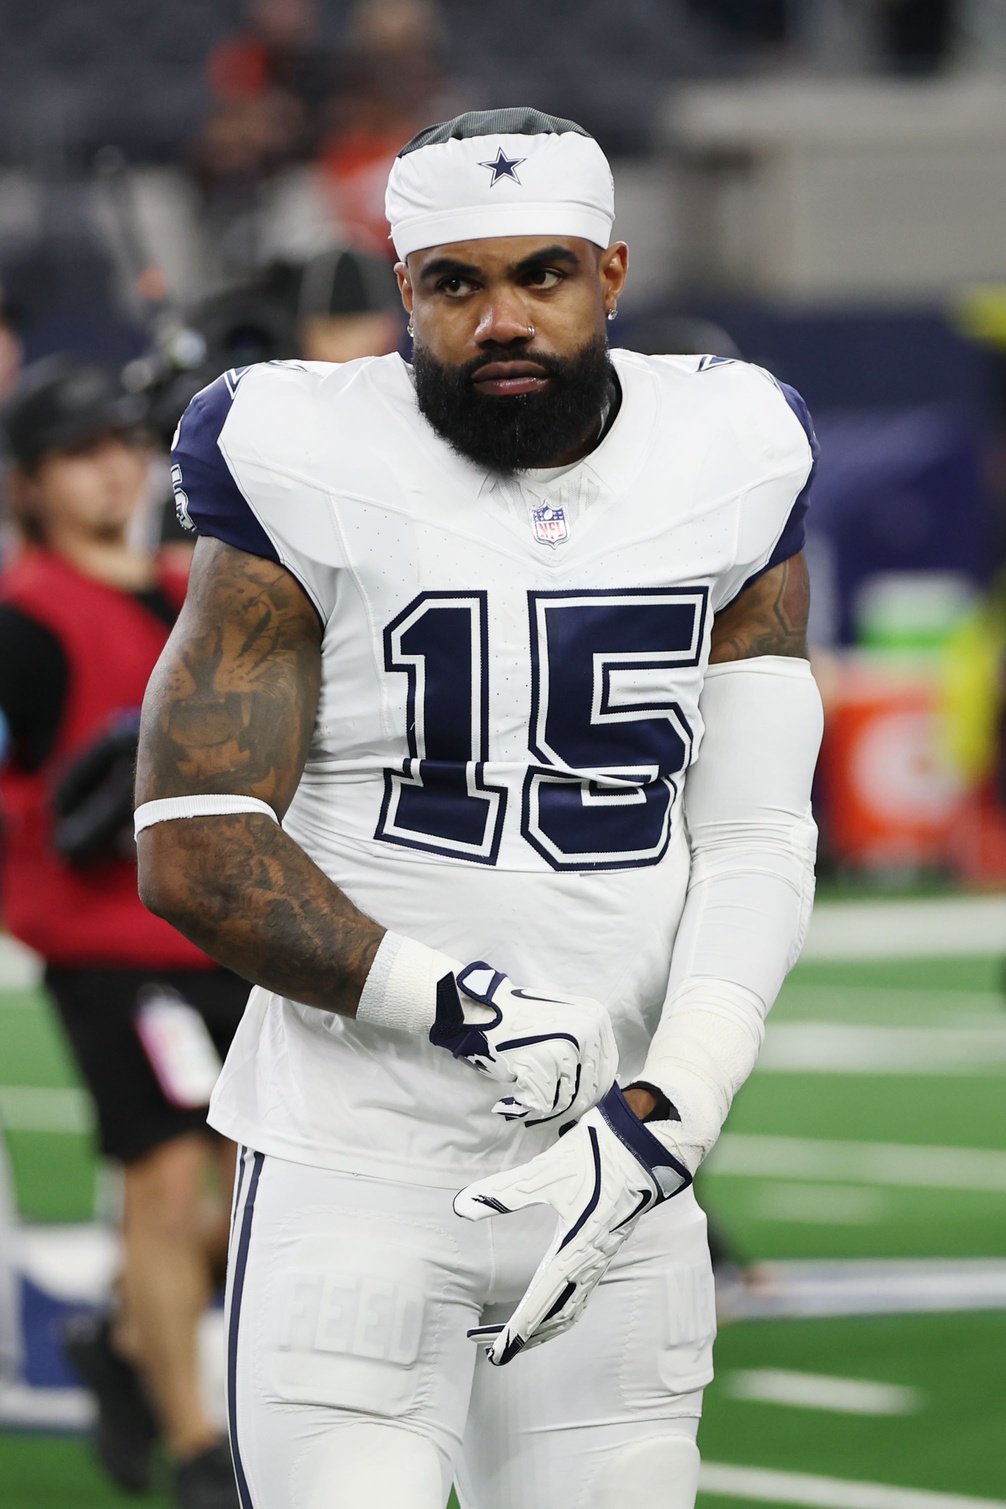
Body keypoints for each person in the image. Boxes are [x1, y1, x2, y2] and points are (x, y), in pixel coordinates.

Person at [135, 108, 823, 1509]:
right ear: (405, 291)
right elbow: (193, 838)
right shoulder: (295, 447)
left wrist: (674, 1105)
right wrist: (455, 1000)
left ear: (611, 275)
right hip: (357, 1170)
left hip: (621, 1185)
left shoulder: (735, 445)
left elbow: (753, 832)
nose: (501, 317)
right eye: (456, 283)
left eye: (542, 275)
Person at [0, 358, 248, 1509]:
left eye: (123, 445)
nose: (112, 468)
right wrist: (63, 820)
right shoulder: (22, 623)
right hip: (108, 945)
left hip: (231, 931)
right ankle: (198, 1444)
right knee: (159, 1184)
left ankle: (123, 1340)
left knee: (267, 1192)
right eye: (79, 453)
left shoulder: (188, 589)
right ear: (33, 482)